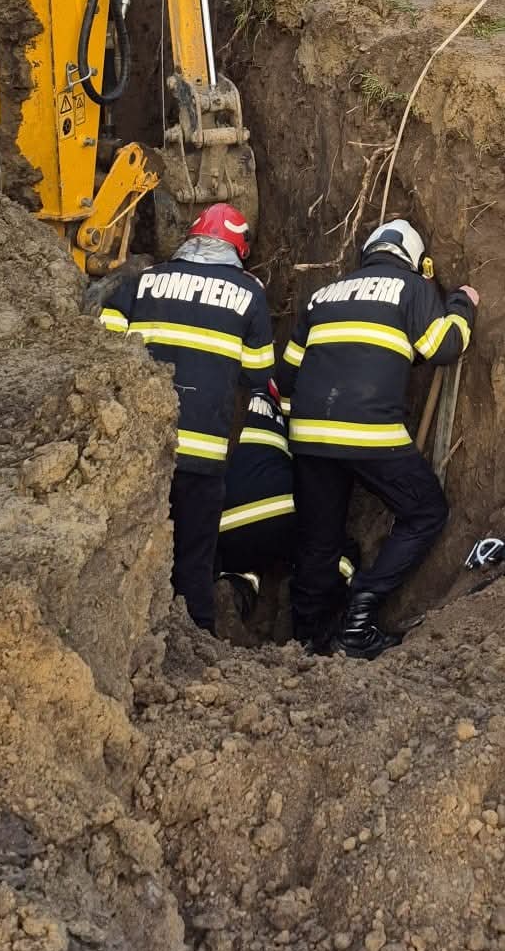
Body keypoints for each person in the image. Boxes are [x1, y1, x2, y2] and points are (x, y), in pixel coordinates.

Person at [280, 218, 478, 658]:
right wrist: (462, 302)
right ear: (415, 260)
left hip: (309, 434)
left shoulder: (322, 295)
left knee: (318, 540)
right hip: (370, 432)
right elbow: (445, 346)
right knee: (425, 511)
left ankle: (307, 643)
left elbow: (287, 375)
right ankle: (358, 619)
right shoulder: (412, 288)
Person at [98, 202, 275, 632]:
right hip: (203, 453)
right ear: (239, 249)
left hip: (141, 448)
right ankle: (197, 638)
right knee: (196, 553)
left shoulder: (144, 281)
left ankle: (133, 635)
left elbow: (102, 343)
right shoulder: (249, 294)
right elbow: (259, 373)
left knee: (133, 548)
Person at [213, 385, 356, 619]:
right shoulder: (284, 394)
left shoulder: (217, 393)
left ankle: (236, 592)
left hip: (223, 524)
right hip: (282, 511)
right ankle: (314, 604)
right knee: (333, 550)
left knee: (237, 563)